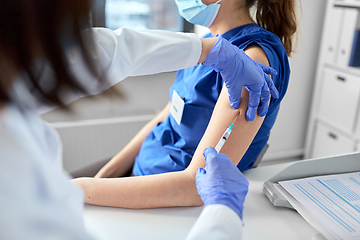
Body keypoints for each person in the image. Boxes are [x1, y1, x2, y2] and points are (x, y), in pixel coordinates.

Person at [0, 0, 273, 239]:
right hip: (140, 179)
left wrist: (95, 182)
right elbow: (167, 113)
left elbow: (192, 184)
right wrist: (92, 183)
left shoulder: (253, 54)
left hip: (159, 200)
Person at [78, 0, 297, 209]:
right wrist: (107, 174)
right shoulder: (205, 43)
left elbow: (194, 186)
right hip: (143, 168)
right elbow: (165, 117)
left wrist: (82, 190)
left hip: (165, 195)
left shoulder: (253, 58)